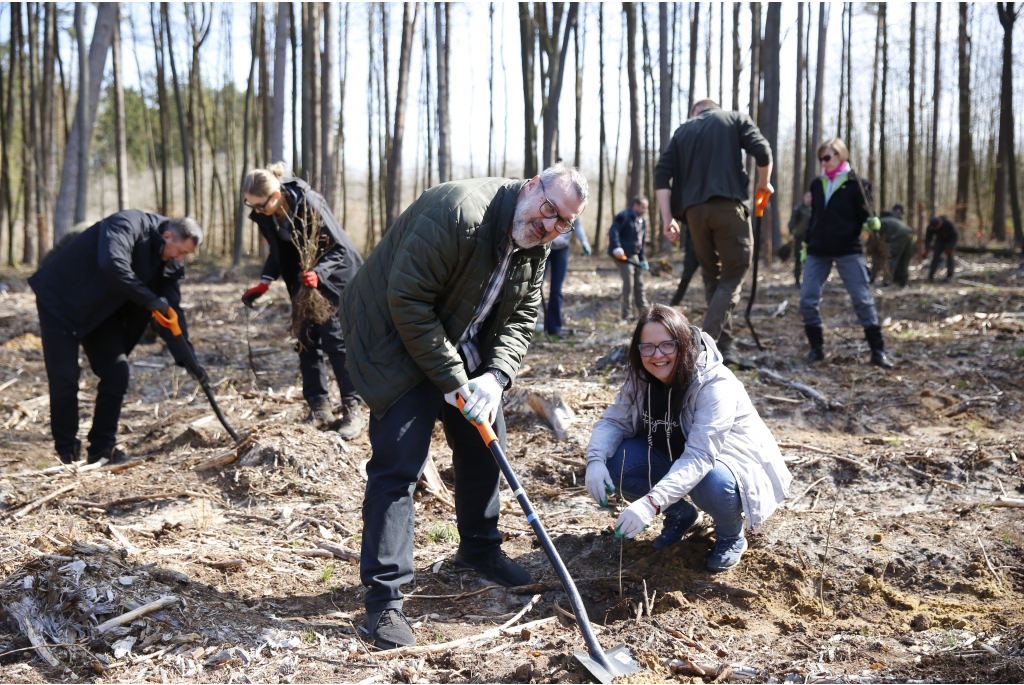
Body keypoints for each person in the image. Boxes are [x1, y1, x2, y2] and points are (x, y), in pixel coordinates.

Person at [340, 163, 588, 649]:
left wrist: (495, 379)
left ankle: (479, 549)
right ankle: (384, 602)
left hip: (460, 339)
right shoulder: (458, 211)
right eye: (547, 210)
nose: (549, 226)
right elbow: (407, 300)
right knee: (399, 464)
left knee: (483, 445)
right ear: (532, 184)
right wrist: (452, 380)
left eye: (563, 223)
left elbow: (520, 317)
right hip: (394, 338)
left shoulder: (535, 242)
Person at [585, 305, 791, 572]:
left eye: (667, 345)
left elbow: (700, 456)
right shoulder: (640, 376)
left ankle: (730, 535)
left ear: (682, 343)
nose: (657, 355)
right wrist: (595, 460)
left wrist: (650, 503)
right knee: (615, 462)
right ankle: (681, 516)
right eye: (647, 347)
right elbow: (614, 420)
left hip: (730, 465)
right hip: (672, 455)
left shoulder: (714, 384)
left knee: (712, 482)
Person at [29, 212, 205, 465]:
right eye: (180, 251)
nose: (181, 259)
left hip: (100, 310)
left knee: (117, 372)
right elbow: (112, 263)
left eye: (185, 254)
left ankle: (102, 449)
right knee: (65, 379)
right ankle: (67, 454)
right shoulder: (128, 224)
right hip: (61, 301)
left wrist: (188, 358)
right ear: (168, 235)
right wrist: (149, 299)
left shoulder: (171, 259)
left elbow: (171, 310)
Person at [239, 164, 366, 440]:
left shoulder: (310, 203)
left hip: (335, 277)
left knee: (335, 342)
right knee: (305, 341)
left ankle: (352, 409)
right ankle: (319, 410)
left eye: (260, 206)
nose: (257, 211)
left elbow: (340, 248)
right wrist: (264, 281)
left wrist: (318, 274)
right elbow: (278, 251)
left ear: (275, 194)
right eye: (253, 206)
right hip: (303, 281)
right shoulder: (268, 216)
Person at [655, 99, 773, 367]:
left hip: (694, 216)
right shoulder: (734, 119)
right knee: (732, 276)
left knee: (713, 280)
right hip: (728, 209)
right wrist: (764, 184)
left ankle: (726, 349)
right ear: (714, 107)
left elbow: (661, 174)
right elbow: (763, 151)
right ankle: (698, 350)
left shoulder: (683, 131)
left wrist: (667, 219)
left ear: (696, 111)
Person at [800, 138, 893, 369]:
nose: (824, 162)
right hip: (817, 250)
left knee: (862, 299)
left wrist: (872, 222)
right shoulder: (817, 184)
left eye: (828, 157)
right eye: (821, 158)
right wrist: (805, 243)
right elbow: (815, 218)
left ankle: (877, 350)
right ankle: (817, 349)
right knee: (807, 300)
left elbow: (865, 215)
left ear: (841, 156)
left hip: (848, 250)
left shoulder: (858, 184)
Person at [544, 215, 591, 337]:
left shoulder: (575, 205)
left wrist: (584, 241)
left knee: (557, 290)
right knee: (534, 287)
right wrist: (552, 238)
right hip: (543, 245)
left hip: (562, 249)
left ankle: (554, 329)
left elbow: (578, 225)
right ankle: (527, 327)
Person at [608, 197, 650, 320]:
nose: (645, 210)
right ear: (635, 205)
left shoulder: (643, 220)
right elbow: (613, 231)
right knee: (629, 284)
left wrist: (642, 258)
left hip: (635, 255)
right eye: (643, 207)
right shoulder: (623, 216)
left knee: (639, 283)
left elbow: (642, 241)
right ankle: (627, 314)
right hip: (623, 256)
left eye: (646, 208)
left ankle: (644, 312)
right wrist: (616, 247)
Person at [878, 205, 915, 287]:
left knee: (891, 257)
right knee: (904, 258)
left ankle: (887, 282)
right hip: (909, 232)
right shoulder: (892, 220)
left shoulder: (882, 221)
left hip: (899, 235)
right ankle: (902, 282)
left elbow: (878, 240)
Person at [668, 225, 700, 306]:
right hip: (691, 253)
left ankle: (712, 305)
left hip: (706, 251)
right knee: (685, 278)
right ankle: (675, 302)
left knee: (710, 279)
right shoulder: (690, 215)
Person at [789, 191, 813, 287]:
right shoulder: (799, 208)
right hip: (800, 239)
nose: (809, 198)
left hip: (811, 239)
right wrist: (791, 234)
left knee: (810, 260)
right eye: (807, 196)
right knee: (798, 260)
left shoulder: (815, 209)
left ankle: (808, 281)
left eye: (811, 196)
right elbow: (792, 222)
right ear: (804, 197)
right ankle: (797, 281)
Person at [925, 215, 959, 283]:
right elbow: (928, 238)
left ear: (940, 223)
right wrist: (926, 248)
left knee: (950, 256)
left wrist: (950, 247)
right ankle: (931, 276)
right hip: (940, 240)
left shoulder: (948, 223)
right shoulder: (931, 227)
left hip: (950, 240)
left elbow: (955, 236)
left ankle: (950, 275)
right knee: (935, 256)